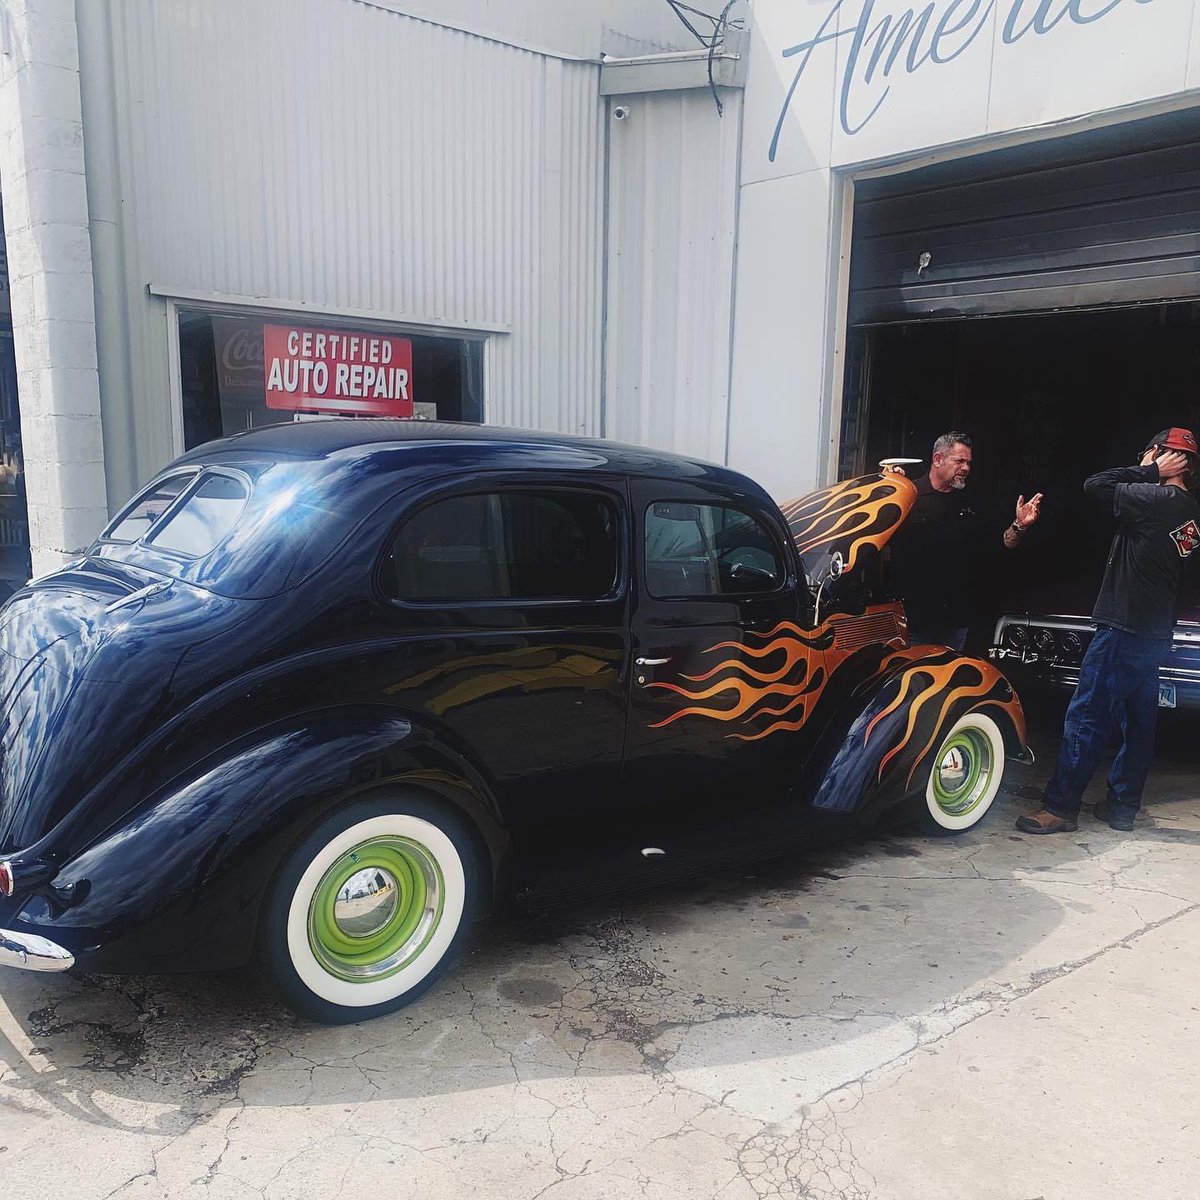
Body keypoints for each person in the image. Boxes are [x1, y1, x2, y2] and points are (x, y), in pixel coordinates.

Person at [1017, 428, 1200, 835]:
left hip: (1124, 626)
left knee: (1086, 715)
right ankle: (1121, 808)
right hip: (1154, 631)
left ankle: (1061, 807)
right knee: (1138, 724)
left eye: (1149, 453)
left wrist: (1148, 471)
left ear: (1162, 456)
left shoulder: (1155, 498)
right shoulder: (1190, 510)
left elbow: (1095, 486)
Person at [886, 432, 1043, 651]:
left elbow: (999, 546)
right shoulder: (908, 495)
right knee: (912, 680)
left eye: (968, 463)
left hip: (955, 619)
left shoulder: (974, 503)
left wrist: (1019, 525)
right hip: (913, 617)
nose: (966, 468)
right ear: (938, 459)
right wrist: (887, 486)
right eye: (959, 461)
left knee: (951, 680)